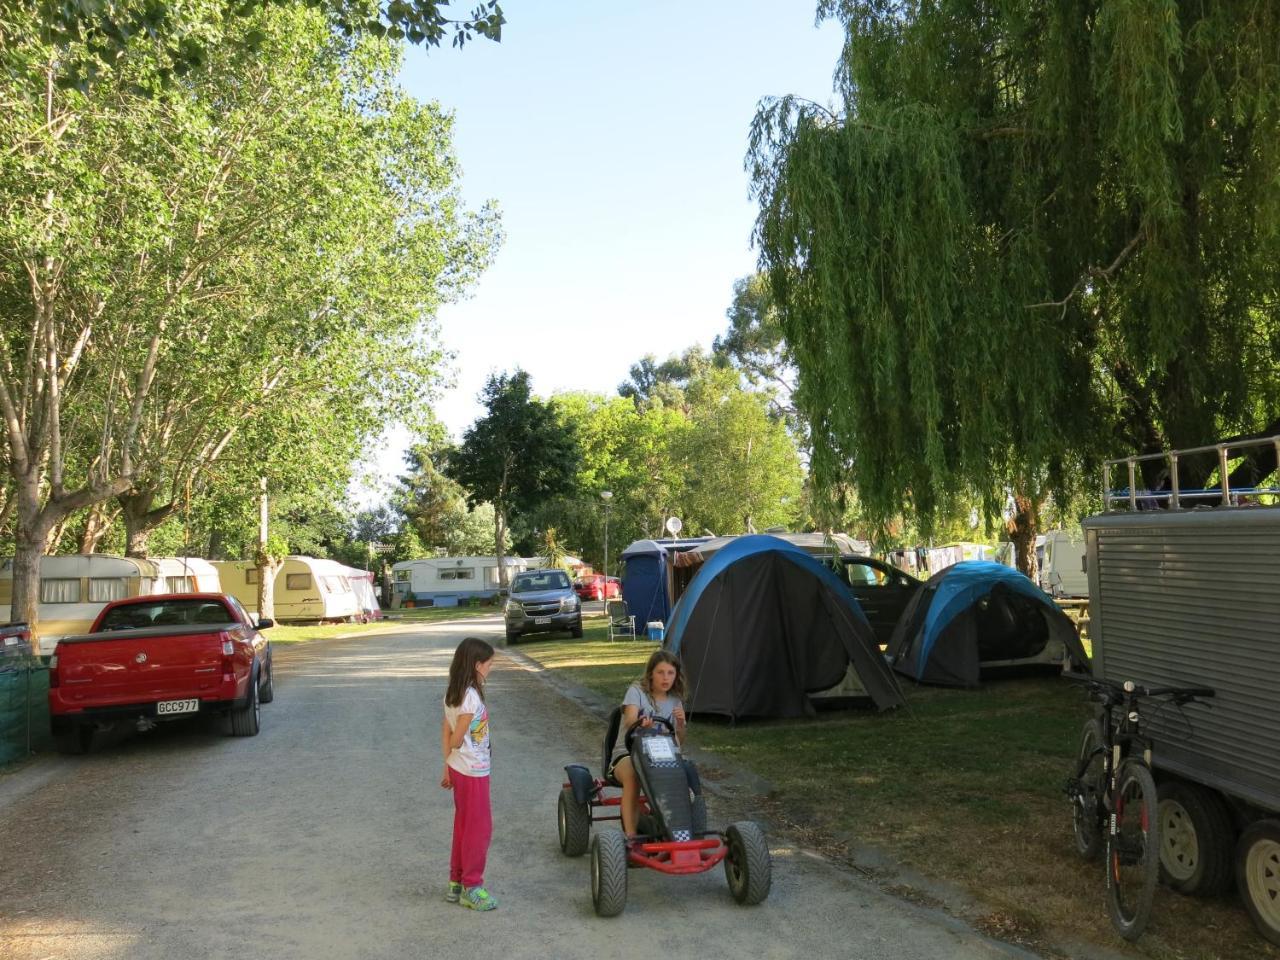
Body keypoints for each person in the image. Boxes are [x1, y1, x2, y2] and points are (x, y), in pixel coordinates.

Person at [441, 637, 497, 911]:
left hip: (460, 768)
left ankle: (457, 881)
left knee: (464, 825)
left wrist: (447, 764)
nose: (490, 669)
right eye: (489, 664)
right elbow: (454, 735)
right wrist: (455, 744)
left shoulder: (454, 692)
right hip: (473, 770)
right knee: (480, 828)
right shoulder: (470, 696)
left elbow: (445, 727)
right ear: (477, 665)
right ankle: (472, 887)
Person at [608, 650, 687, 837]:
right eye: (660, 672)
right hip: (628, 753)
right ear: (651, 673)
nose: (665, 678)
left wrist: (681, 724)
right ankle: (631, 837)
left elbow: (679, 741)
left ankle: (680, 832)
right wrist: (641, 725)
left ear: (676, 676)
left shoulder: (675, 700)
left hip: (661, 755)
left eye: (670, 673)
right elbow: (629, 720)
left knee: (686, 772)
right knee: (634, 776)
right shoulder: (637, 691)